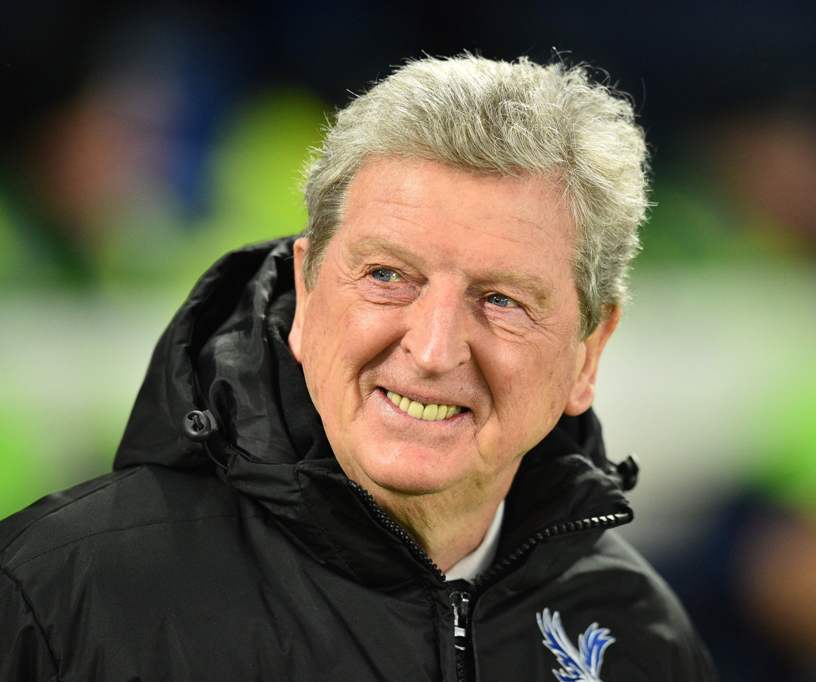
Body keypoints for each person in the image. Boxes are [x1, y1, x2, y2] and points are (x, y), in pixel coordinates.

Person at [0, 55, 714, 681]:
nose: (433, 351)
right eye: (387, 275)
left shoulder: (642, 638)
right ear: (305, 291)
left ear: (588, 351)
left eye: (500, 300)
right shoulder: (58, 598)